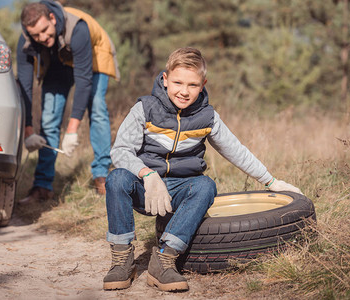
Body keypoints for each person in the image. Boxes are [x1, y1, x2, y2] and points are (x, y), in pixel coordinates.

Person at [102, 47, 303, 292]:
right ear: (165, 79)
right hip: (145, 187)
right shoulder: (145, 109)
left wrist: (271, 182)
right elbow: (120, 152)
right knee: (116, 178)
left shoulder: (207, 117)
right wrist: (148, 175)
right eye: (177, 82)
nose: (184, 91)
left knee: (206, 185)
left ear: (203, 84)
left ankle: (164, 260)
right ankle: (122, 260)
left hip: (179, 189)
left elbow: (235, 150)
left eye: (193, 85)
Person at [17, 0, 120, 203]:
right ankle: (43, 186)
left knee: (97, 106)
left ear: (52, 19)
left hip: (93, 54)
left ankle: (102, 176)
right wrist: (28, 130)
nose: (42, 38)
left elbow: (83, 82)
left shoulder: (78, 28)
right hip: (57, 62)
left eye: (45, 30)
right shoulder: (27, 39)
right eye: (36, 35)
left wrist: (72, 130)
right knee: (49, 118)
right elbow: (25, 87)